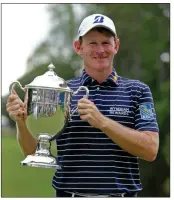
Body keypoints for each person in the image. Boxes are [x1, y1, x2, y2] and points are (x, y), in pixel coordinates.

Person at [6, 13, 159, 197]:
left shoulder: (138, 91)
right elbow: (32, 150)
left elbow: (150, 149)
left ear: (116, 45)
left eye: (106, 42)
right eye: (92, 43)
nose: (100, 49)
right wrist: (22, 122)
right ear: (79, 47)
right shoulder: (62, 90)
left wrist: (103, 122)